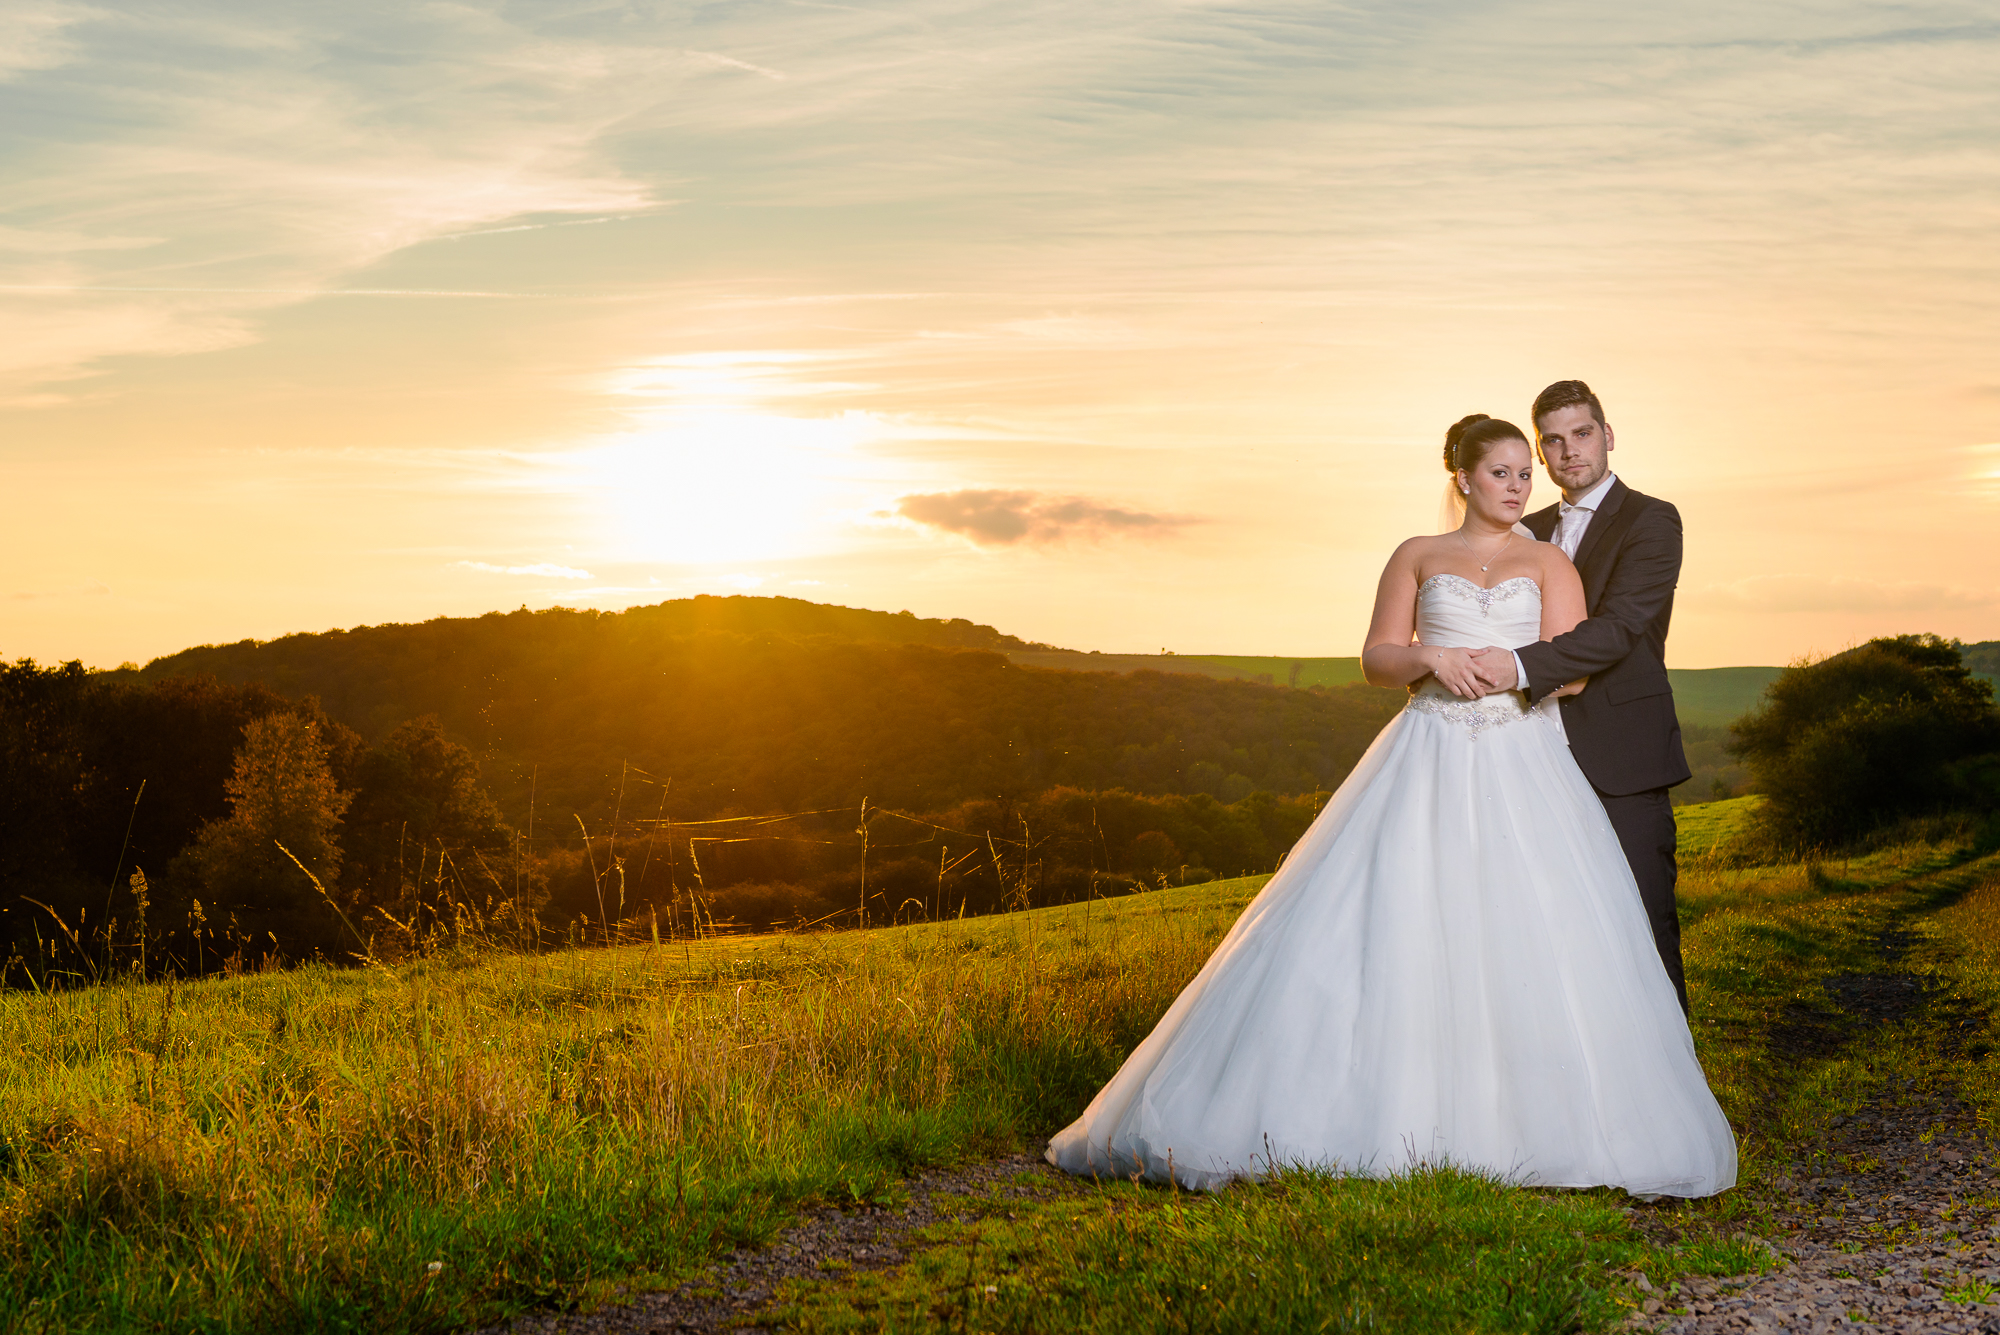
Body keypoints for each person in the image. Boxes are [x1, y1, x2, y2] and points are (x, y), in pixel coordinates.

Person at [1044, 414, 1735, 1196]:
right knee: (1395, 916)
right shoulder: (1416, 554)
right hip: (1426, 751)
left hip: (1524, 757)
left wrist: (1508, 670)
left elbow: (1569, 669)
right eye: (1503, 472)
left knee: (1533, 925)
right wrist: (1429, 656)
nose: (1518, 486)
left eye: (1523, 474)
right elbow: (1376, 656)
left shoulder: (1549, 562)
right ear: (1464, 478)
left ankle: (1537, 1121)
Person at [1465, 381, 1693, 1014]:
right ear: (1541, 453)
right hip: (1527, 754)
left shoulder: (1652, 519)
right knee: (1550, 931)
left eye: (1582, 433)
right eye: (1554, 441)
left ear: (1608, 435)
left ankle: (1676, 1097)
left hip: (1622, 753)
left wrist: (1513, 667)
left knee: (1645, 925)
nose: (1570, 451)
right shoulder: (1525, 529)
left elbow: (1618, 629)